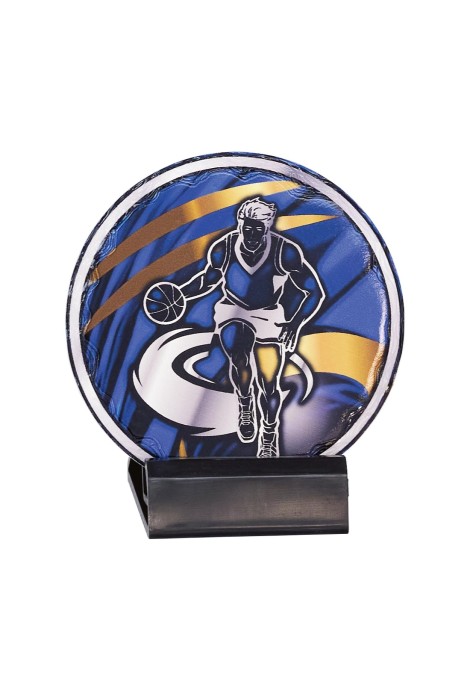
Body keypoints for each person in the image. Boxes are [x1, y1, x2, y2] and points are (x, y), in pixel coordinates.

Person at [179, 197, 325, 457]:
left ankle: (269, 435)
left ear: (268, 227)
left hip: (268, 314)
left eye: (259, 228)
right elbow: (208, 279)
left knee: (269, 384)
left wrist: (295, 323)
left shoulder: (285, 251)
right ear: (240, 224)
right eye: (248, 227)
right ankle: (245, 402)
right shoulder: (224, 247)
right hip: (232, 310)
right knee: (239, 350)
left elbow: (314, 291)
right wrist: (181, 294)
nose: (252, 234)